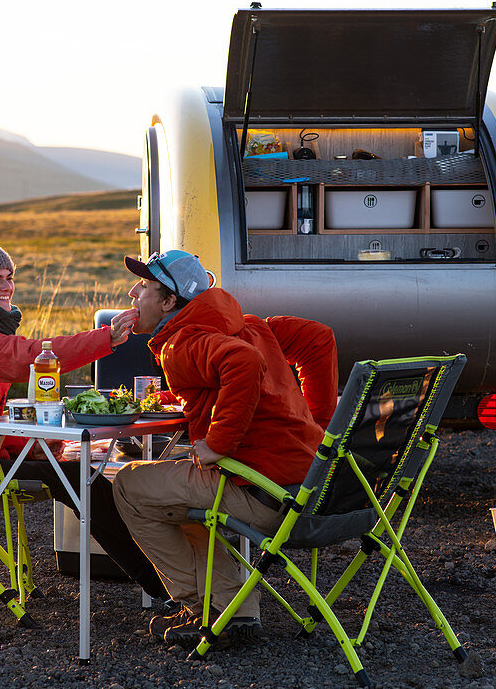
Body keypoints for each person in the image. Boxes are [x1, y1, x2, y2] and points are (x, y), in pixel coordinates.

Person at [0, 242, 169, 602]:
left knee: (74, 470)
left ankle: (164, 581)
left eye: (9, 277)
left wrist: (40, 448)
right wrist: (104, 338)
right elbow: (30, 358)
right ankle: (164, 586)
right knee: (80, 480)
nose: (6, 287)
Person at [111, 250, 338, 648]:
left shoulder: (182, 342)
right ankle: (235, 608)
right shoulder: (248, 324)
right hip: (312, 486)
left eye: (144, 286)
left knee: (130, 486)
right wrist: (320, 429)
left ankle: (204, 609)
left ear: (169, 303)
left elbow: (242, 363)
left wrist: (218, 443)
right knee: (173, 493)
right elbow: (319, 338)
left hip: (265, 494)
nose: (132, 292)